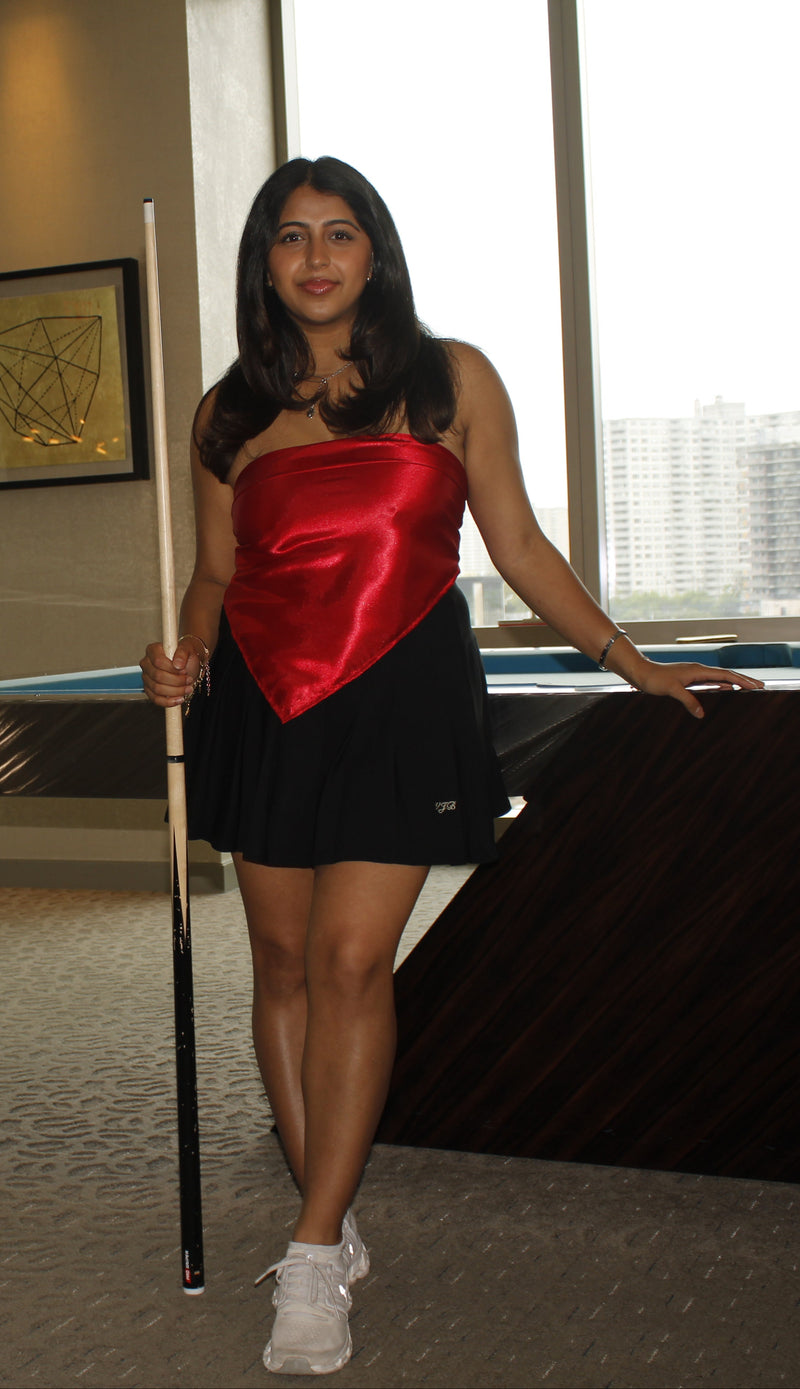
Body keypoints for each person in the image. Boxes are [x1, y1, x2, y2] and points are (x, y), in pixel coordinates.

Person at [140, 156, 762, 1376]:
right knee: (278, 963)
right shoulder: (228, 411)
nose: (314, 258)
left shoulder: (448, 378)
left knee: (351, 960)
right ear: (261, 262)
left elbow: (517, 540)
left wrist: (632, 663)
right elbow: (215, 577)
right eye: (288, 237)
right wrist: (183, 655)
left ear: (376, 251)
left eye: (339, 233)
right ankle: (333, 1200)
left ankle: (315, 1248)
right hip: (262, 700)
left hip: (401, 698)